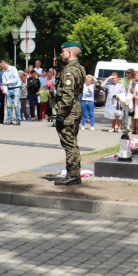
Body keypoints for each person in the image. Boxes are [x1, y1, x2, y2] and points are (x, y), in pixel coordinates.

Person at [48, 41, 85, 186]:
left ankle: (73, 175)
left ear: (69, 53)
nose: (61, 54)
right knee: (73, 143)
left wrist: (61, 113)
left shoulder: (70, 71)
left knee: (70, 145)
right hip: (75, 110)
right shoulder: (80, 68)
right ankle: (74, 174)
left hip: (69, 112)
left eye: (63, 52)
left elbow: (68, 96)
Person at [0, 61, 22, 125]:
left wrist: (7, 82)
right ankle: (9, 120)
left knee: (16, 105)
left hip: (16, 88)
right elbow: (4, 81)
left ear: (4, 64)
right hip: (8, 89)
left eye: (2, 66)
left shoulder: (13, 69)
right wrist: (5, 90)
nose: (1, 67)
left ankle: (18, 119)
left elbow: (16, 79)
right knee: (9, 105)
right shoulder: (3, 72)